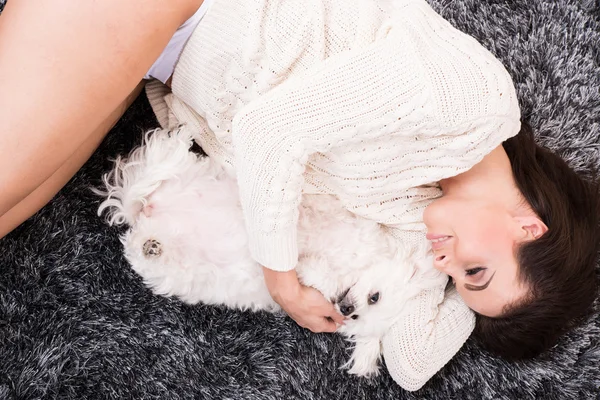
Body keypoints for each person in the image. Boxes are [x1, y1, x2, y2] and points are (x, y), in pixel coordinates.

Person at [1, 0, 598, 391]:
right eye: (475, 271)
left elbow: (412, 364)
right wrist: (281, 281)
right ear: (530, 226)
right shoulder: (470, 103)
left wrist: (478, 300)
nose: (445, 267)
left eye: (460, 283)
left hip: (158, 57)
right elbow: (270, 130)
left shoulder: (421, 204)